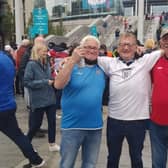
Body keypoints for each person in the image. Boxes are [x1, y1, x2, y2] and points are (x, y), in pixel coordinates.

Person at [96, 32, 164, 168]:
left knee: (137, 158)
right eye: (122, 44)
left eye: (129, 44)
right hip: (114, 120)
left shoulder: (146, 61)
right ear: (117, 47)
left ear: (136, 46)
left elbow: (164, 49)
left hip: (138, 121)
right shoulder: (109, 63)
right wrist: (69, 59)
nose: (126, 48)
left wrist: (146, 50)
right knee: (112, 158)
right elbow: (88, 56)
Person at [54, 35, 106, 168]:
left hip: (95, 127)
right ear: (80, 48)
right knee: (67, 164)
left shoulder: (103, 66)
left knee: (90, 164)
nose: (92, 50)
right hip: (72, 126)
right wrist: (72, 60)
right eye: (88, 47)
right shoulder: (70, 65)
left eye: (95, 48)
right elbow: (58, 85)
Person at [0, 50, 45, 167]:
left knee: (17, 135)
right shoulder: (6, 58)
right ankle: (36, 159)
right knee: (17, 135)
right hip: (7, 104)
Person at [24, 43, 60, 152]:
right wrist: (45, 82)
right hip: (38, 99)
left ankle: (52, 144)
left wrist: (54, 76)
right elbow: (27, 82)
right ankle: (26, 144)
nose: (46, 53)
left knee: (52, 122)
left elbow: (48, 77)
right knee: (35, 125)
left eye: (46, 51)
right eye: (43, 51)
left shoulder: (47, 62)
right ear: (37, 52)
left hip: (50, 97)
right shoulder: (31, 65)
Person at [149, 28, 168, 168]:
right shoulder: (154, 61)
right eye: (165, 38)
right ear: (160, 42)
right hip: (157, 122)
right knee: (158, 163)